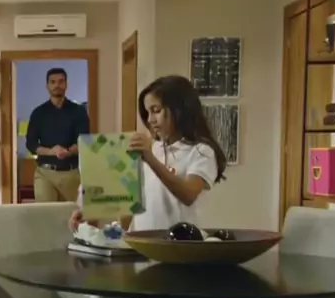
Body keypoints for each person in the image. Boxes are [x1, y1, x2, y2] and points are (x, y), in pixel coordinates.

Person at [70, 74, 228, 232]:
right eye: (147, 113)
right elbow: (125, 196)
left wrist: (150, 158)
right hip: (141, 239)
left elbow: (188, 195)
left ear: (180, 109)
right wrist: (89, 210)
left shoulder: (201, 151)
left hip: (179, 241)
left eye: (156, 110)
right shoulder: (152, 147)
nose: (151, 119)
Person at [25, 68, 91, 202]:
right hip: (45, 173)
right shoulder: (38, 113)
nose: (57, 85)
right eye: (53, 82)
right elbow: (31, 144)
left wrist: (68, 152)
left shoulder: (78, 111)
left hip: (71, 174)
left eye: (61, 82)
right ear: (47, 86)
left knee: (73, 212)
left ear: (66, 84)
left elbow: (84, 141)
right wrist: (51, 151)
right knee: (46, 212)